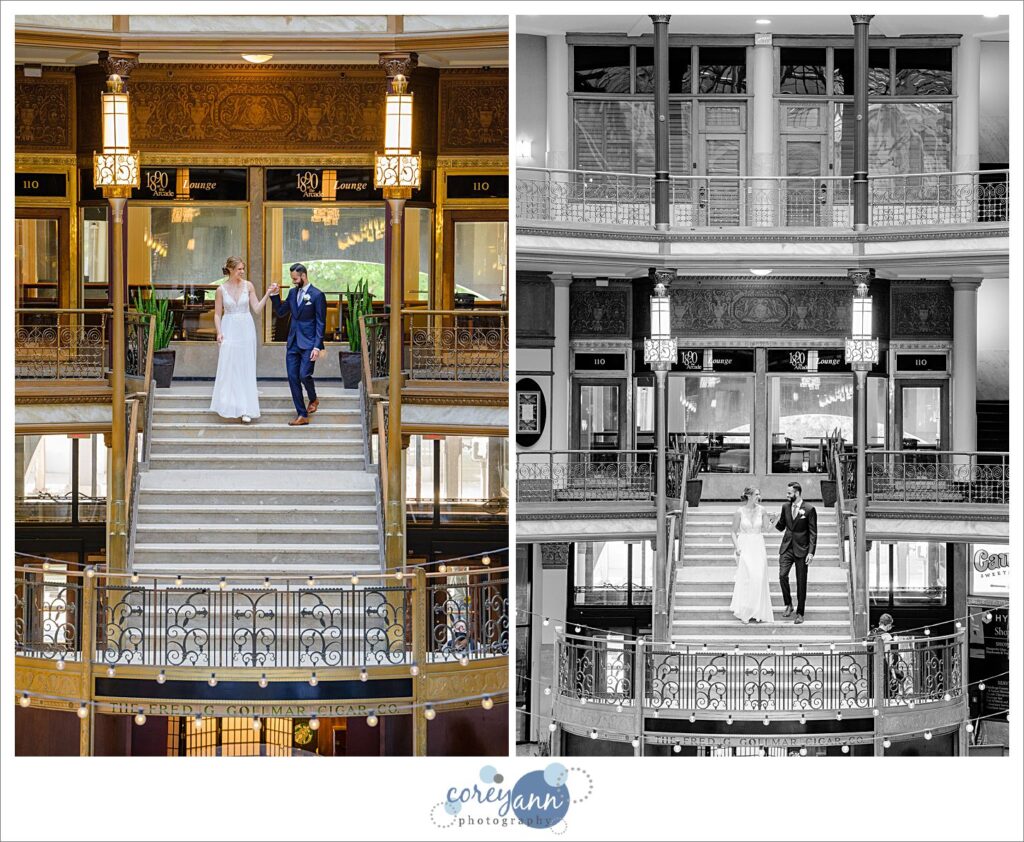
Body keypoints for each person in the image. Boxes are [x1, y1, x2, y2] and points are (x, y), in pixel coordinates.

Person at [209, 257, 271, 423]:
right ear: (230, 269)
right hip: (228, 327)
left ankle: (246, 409)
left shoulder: (248, 286)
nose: (242, 272)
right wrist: (219, 332)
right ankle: (228, 404)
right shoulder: (220, 290)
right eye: (239, 269)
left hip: (246, 328)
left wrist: (267, 294)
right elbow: (217, 314)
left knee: (245, 366)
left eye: (243, 269)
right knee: (229, 365)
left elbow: (257, 309)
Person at [269, 263, 326, 426]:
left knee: (304, 375)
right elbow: (281, 312)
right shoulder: (292, 293)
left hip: (309, 343)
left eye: (295, 278)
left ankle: (313, 399)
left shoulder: (317, 295)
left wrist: (317, 346)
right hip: (293, 341)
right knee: (293, 377)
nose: (293, 281)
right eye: (292, 278)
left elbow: (321, 322)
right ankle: (302, 414)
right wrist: (275, 295)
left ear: (303, 276)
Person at [729, 486, 775, 624]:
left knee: (759, 577)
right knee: (746, 578)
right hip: (744, 545)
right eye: (756, 494)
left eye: (759, 494)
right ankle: (745, 611)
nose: (758, 496)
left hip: (758, 545)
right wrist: (737, 548)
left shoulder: (762, 510)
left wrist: (776, 519)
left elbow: (767, 529)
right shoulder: (739, 512)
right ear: (748, 496)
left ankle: (758, 611)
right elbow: (732, 531)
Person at [775, 481, 817, 625]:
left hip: (802, 550)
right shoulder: (785, 507)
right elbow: (781, 526)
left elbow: (813, 533)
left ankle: (800, 613)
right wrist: (773, 521)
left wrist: (811, 552)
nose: (787, 495)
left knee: (801, 582)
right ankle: (788, 604)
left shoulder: (809, 509)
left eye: (789, 493)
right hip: (787, 547)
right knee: (782, 576)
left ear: (797, 493)